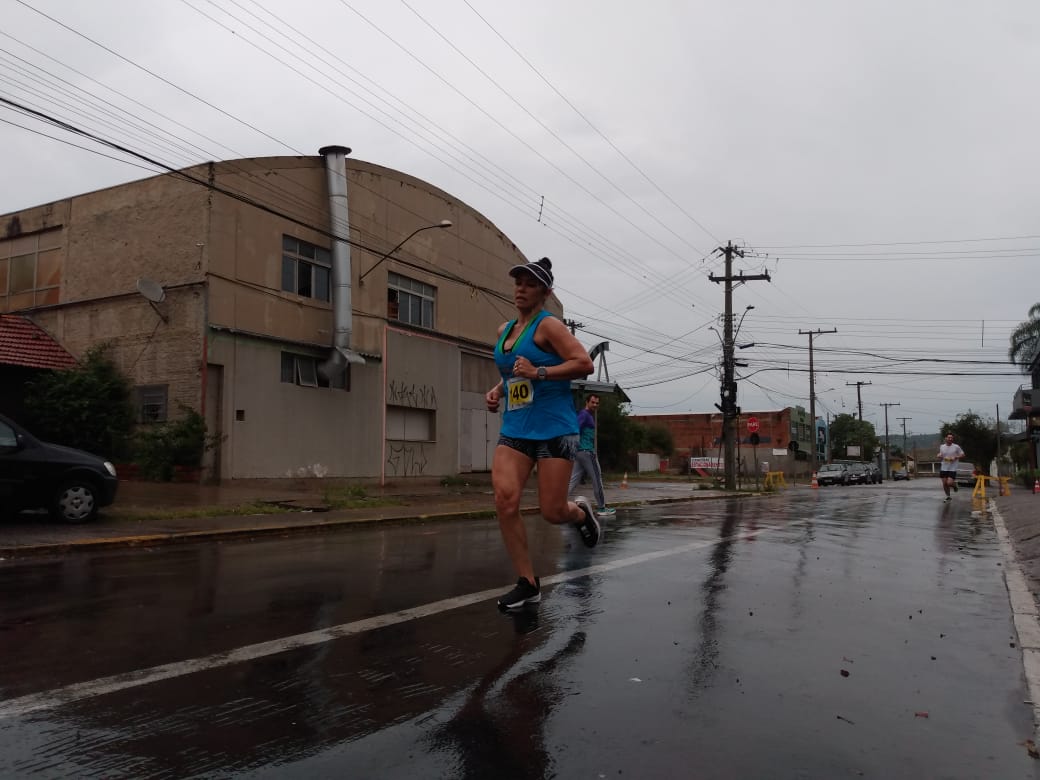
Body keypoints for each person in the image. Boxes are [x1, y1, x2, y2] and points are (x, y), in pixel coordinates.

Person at [486, 257, 598, 610]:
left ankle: (580, 513)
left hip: (554, 428)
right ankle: (528, 582)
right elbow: (513, 374)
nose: (521, 288)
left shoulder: (549, 326)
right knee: (505, 500)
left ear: (545, 292)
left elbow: (584, 363)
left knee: (552, 512)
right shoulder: (505, 329)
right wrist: (498, 390)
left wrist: (540, 373)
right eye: (518, 281)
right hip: (516, 427)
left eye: (530, 283)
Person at [568, 394, 615, 517]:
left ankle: (558, 502)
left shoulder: (586, 415)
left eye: (597, 403)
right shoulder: (585, 415)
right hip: (587, 452)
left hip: (579, 452)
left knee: (573, 479)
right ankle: (601, 508)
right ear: (587, 402)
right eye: (593, 402)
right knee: (597, 480)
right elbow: (576, 428)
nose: (595, 405)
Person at [937, 433, 965, 501]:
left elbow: (963, 455)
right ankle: (948, 496)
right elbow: (941, 454)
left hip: (952, 468)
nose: (950, 439)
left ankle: (955, 486)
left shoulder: (956, 446)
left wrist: (956, 457)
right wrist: (939, 455)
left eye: (951, 438)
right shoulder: (942, 446)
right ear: (946, 438)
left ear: (952, 439)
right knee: (944, 484)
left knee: (949, 483)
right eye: (949, 437)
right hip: (944, 467)